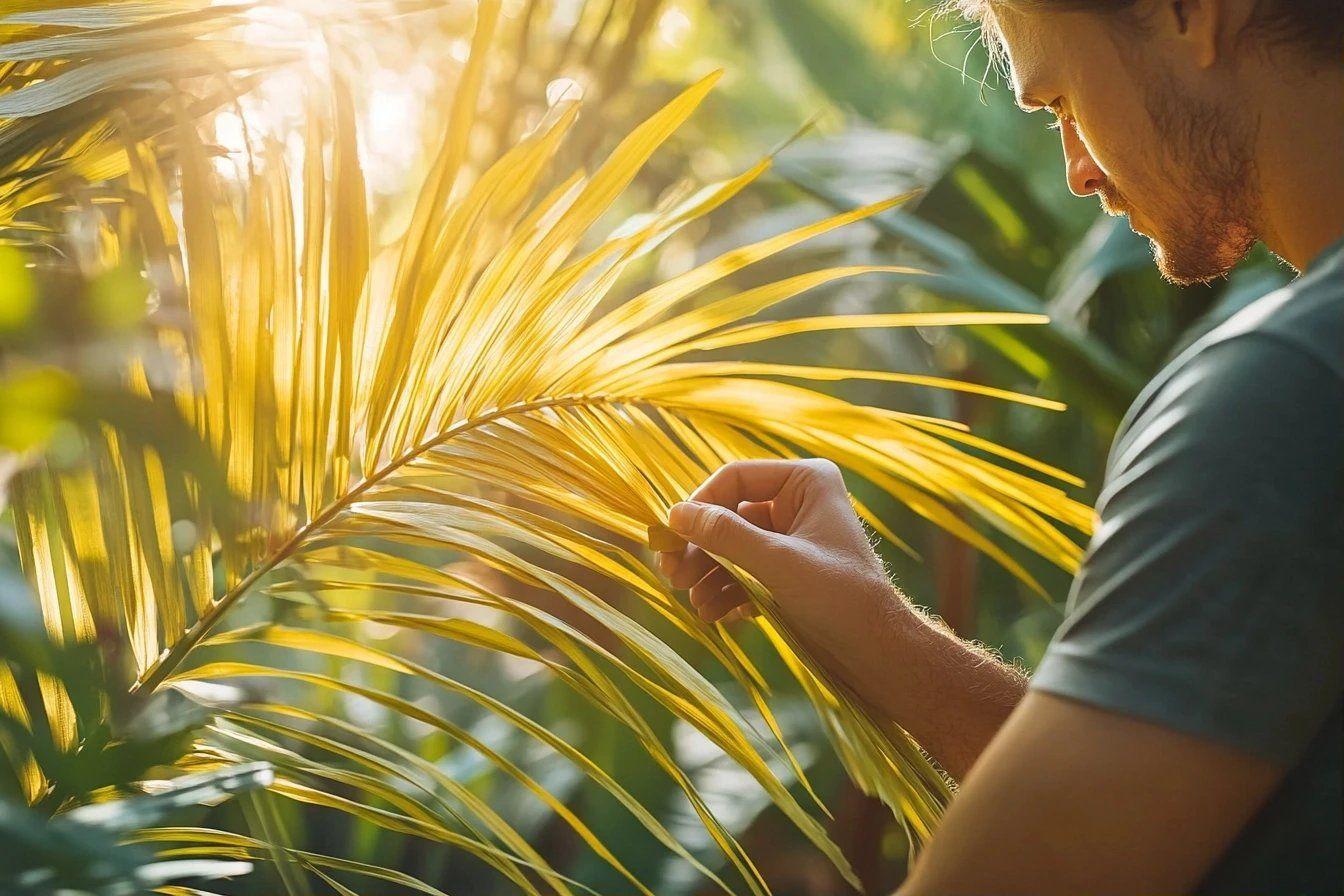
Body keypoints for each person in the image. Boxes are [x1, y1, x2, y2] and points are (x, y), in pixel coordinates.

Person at [654, 1, 1344, 892]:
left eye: (1060, 100)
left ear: (1188, 14)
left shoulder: (1289, 389)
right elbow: (1117, 814)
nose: (1078, 171)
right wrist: (880, 632)